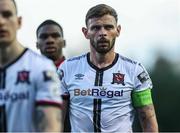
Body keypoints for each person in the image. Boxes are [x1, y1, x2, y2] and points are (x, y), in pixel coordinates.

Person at [57, 4, 158, 132]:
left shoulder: (135, 70)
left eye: (109, 27)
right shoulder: (67, 69)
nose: (103, 33)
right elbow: (56, 120)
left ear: (118, 30)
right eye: (96, 28)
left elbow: (148, 119)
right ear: (85, 32)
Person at [0, 0, 63, 132]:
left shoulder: (41, 68)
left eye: (7, 15)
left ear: (19, 22)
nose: (1, 22)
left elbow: (50, 127)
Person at [36, 19, 71, 132]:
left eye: (55, 36)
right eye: (44, 37)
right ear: (37, 44)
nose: (50, 40)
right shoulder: (26, 75)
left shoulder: (76, 73)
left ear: (64, 42)